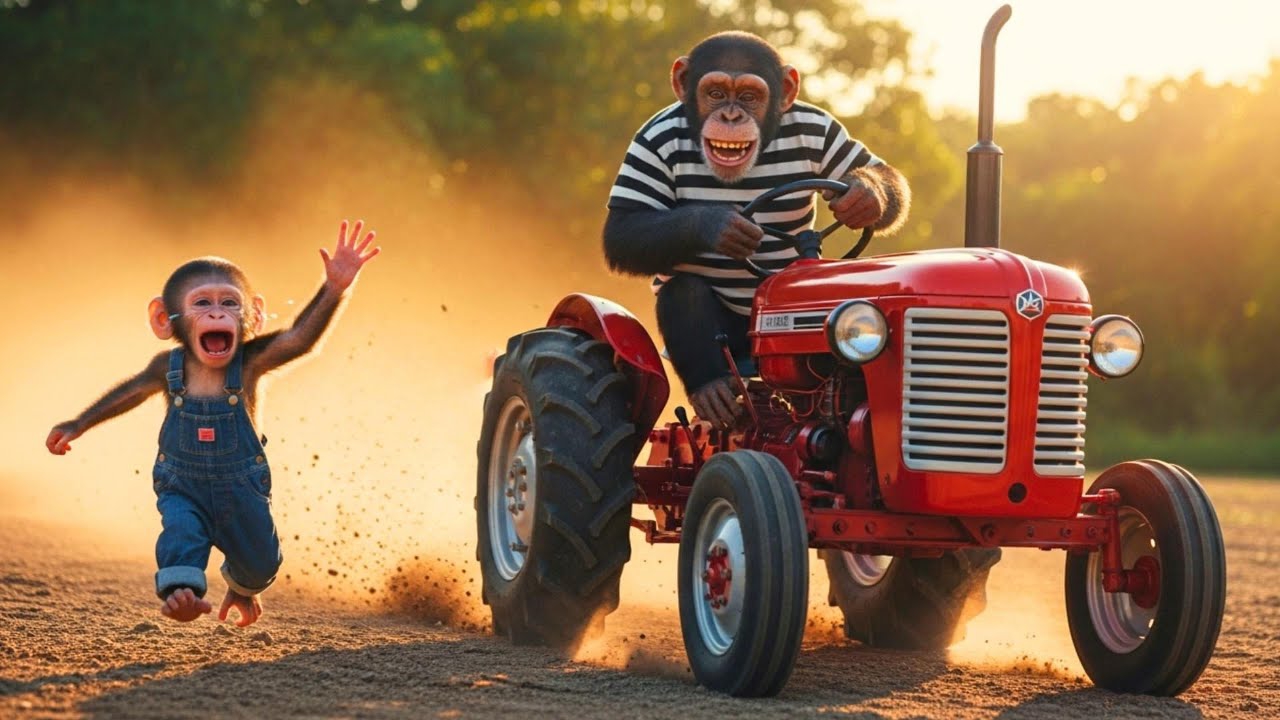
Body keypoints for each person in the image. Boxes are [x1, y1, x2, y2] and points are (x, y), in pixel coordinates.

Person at [45, 220, 380, 626]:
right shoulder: (167, 368)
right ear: (165, 320)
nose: (217, 310)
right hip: (182, 483)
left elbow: (298, 338)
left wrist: (333, 289)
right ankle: (181, 593)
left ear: (251, 318)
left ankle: (242, 586)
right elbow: (129, 393)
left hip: (242, 489)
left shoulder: (252, 362)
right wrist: (80, 422)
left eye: (230, 303)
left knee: (261, 563)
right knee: (181, 532)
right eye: (202, 303)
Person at [602, 31, 910, 427]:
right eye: (715, 94)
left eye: (749, 97)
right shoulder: (663, 137)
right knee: (683, 292)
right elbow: (620, 240)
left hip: (793, 309)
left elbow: (886, 180)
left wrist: (874, 191)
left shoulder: (809, 129)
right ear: (683, 84)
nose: (731, 114)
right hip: (704, 321)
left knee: (860, 315)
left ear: (785, 92)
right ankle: (709, 385)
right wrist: (699, 223)